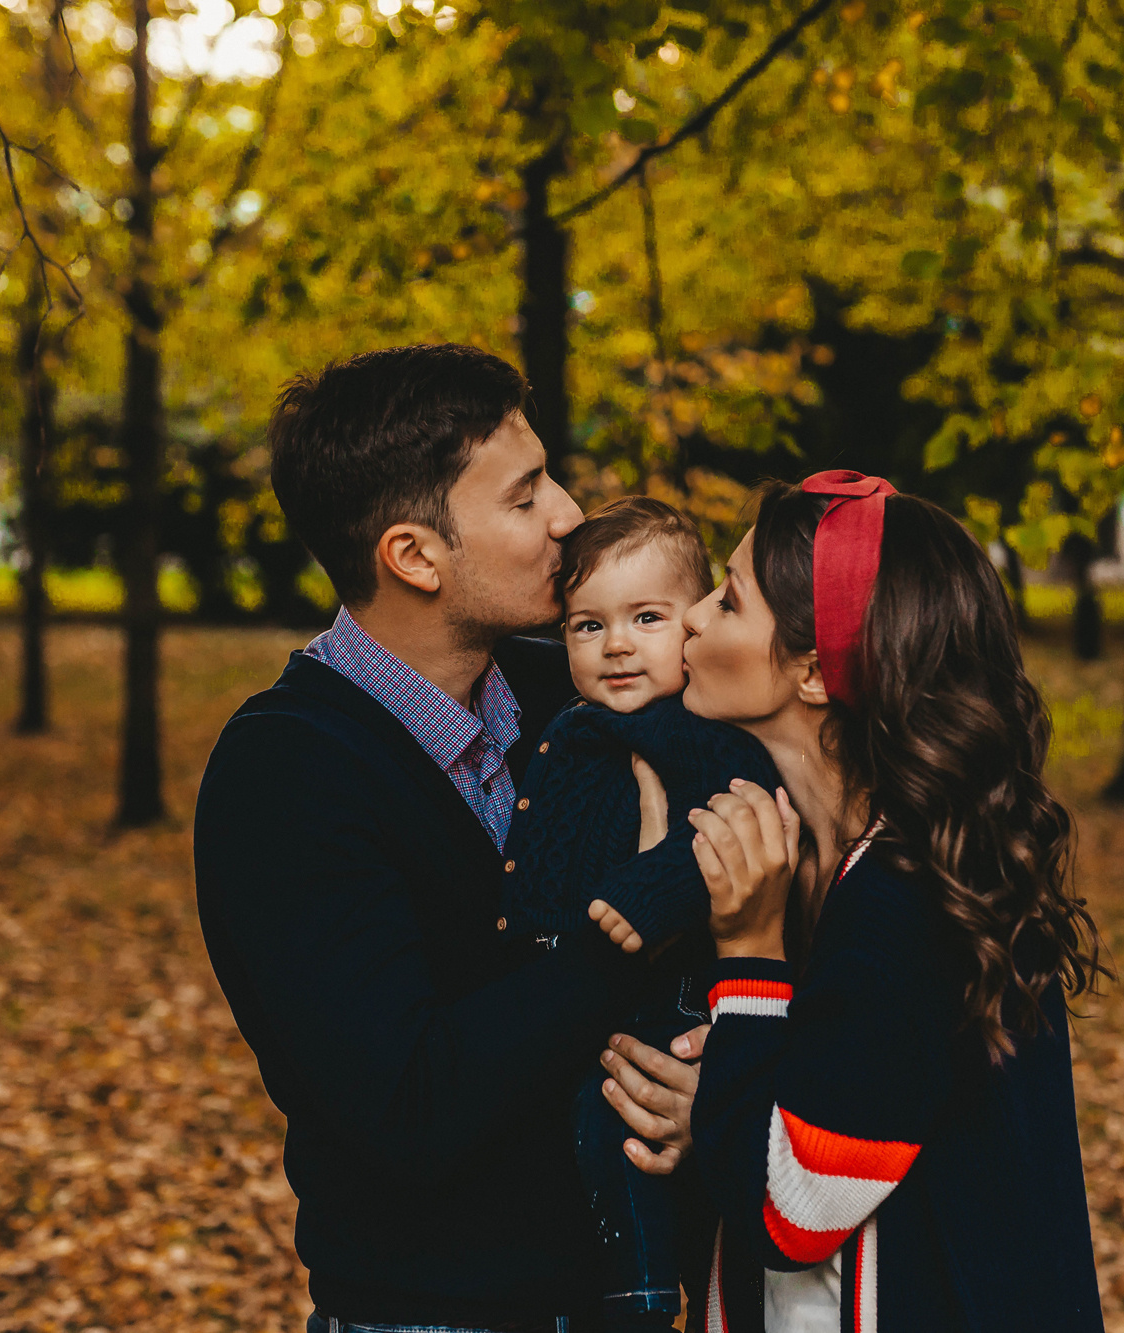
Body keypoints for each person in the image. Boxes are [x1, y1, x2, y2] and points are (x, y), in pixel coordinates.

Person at [193, 345, 754, 1332]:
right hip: (435, 1313)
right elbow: (408, 1106)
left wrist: (713, 1078)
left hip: (634, 1293)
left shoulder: (574, 694)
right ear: (414, 557)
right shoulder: (284, 775)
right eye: (526, 495)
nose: (568, 514)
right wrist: (628, 927)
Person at [677, 472, 1109, 1331]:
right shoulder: (844, 860)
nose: (690, 616)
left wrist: (749, 953)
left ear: (810, 671)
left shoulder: (903, 904)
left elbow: (790, 1214)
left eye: (726, 600)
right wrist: (710, 1103)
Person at [501, 497, 785, 1329]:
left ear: (691, 626)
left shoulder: (695, 728)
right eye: (587, 626)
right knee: (582, 1133)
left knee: (618, 1124)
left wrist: (655, 888)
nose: (616, 644)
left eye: (646, 618)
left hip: (667, 991)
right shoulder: (572, 721)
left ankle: (644, 1295)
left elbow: (734, 811)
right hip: (585, 984)